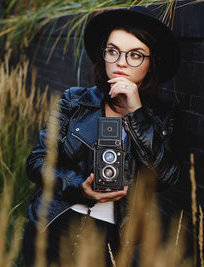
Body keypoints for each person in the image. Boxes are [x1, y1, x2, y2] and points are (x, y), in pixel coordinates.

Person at [22, 6, 181, 267]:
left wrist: (136, 112)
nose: (121, 62)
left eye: (136, 55)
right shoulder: (74, 101)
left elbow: (165, 177)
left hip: (111, 239)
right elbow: (37, 161)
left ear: (152, 64)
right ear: (103, 55)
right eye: (113, 51)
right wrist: (79, 188)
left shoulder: (162, 116)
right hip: (53, 224)